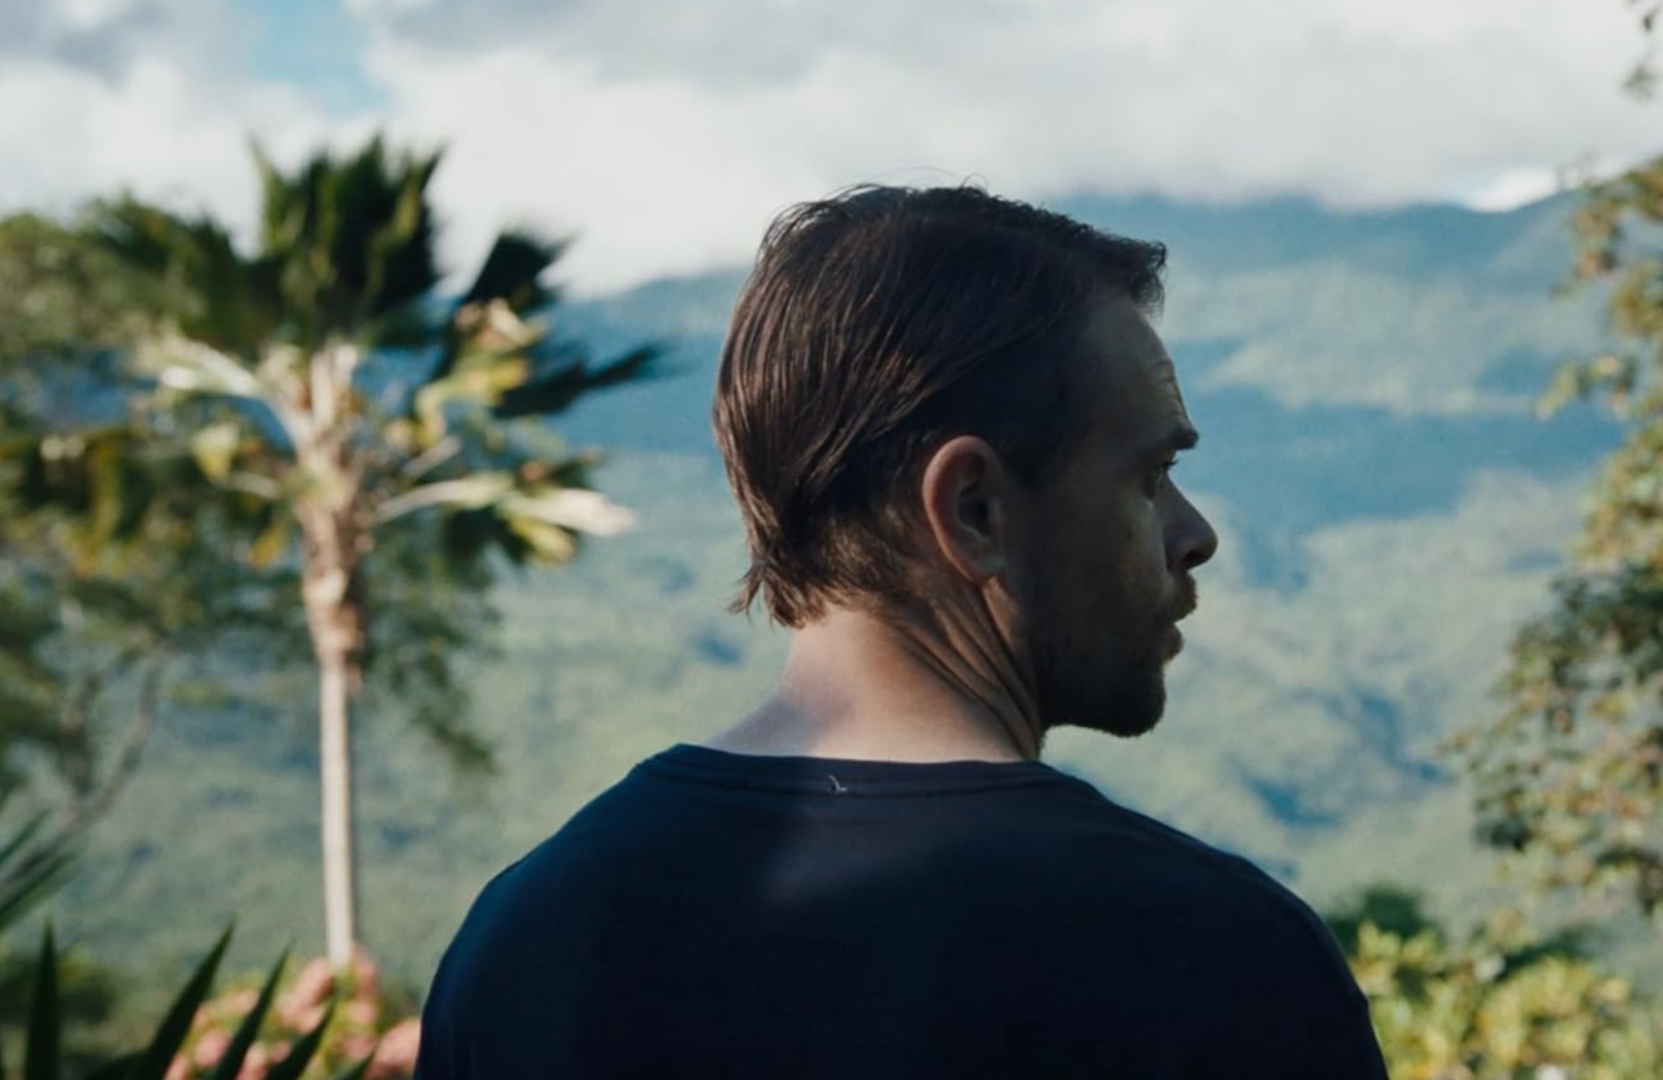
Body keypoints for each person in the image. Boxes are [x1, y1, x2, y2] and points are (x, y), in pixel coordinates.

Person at [416, 186, 1390, 1078]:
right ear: (973, 510)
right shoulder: (1213, 959)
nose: (1196, 535)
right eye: (1148, 477)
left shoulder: (527, 936)